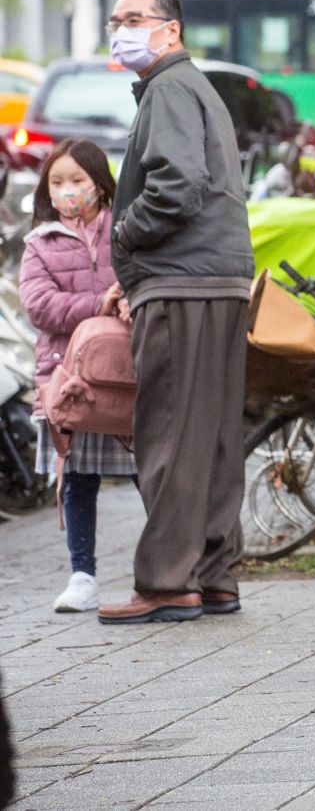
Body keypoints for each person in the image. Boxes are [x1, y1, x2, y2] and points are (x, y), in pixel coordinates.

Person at [98, 0, 256, 625]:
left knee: (167, 436)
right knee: (213, 438)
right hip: (217, 280)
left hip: (181, 282)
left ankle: (167, 582)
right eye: (115, 19)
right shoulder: (196, 89)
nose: (121, 29)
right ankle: (215, 575)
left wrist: (125, 240)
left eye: (134, 18)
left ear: (172, 29)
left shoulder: (167, 89)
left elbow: (177, 186)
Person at [18, 139, 135, 614]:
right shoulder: (39, 244)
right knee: (79, 478)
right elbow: (39, 306)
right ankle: (81, 575)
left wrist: (128, 298)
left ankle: (168, 565)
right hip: (70, 382)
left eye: (78, 180)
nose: (68, 191)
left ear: (100, 182)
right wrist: (98, 305)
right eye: (57, 182)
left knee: (152, 473)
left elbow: (144, 279)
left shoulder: (126, 233)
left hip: (128, 376)